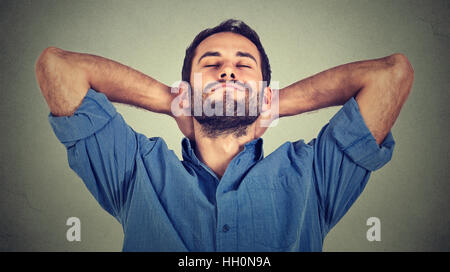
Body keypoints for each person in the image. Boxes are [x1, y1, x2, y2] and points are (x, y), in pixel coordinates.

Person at [35, 19, 414, 251]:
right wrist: (174, 102)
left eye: (243, 65)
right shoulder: (137, 171)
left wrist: (272, 104)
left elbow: (391, 75)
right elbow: (58, 69)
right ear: (186, 89)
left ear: (266, 91)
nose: (227, 72)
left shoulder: (313, 176)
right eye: (211, 64)